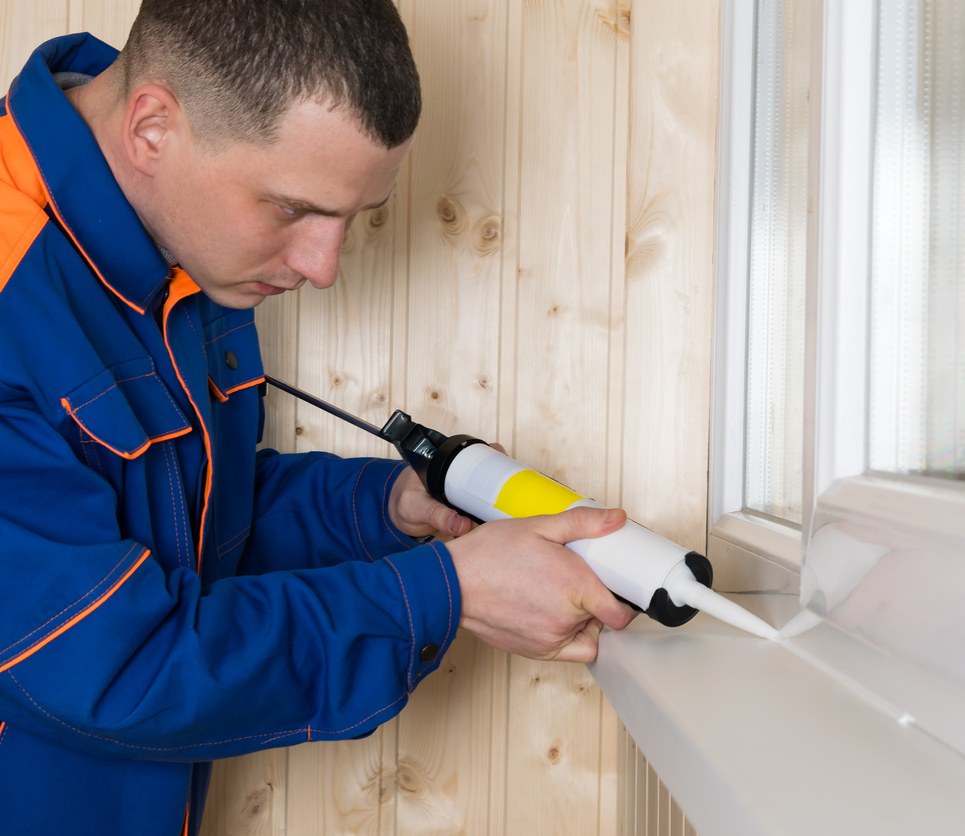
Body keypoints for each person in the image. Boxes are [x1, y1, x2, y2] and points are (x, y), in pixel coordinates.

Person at [0, 1, 636, 833]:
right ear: (153, 126)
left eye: (354, 219)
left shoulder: (181, 239)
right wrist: (446, 594)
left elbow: (182, 518)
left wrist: (385, 510)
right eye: (294, 209)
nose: (322, 267)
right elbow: (118, 663)